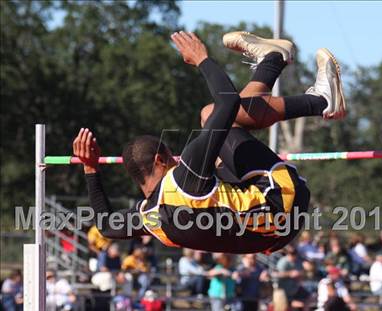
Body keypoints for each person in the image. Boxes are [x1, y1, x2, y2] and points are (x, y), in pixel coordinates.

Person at [72, 31, 346, 254]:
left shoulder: (149, 218)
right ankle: (321, 101)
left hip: (274, 237)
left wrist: (90, 169)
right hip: (283, 199)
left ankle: (272, 60)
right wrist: (202, 59)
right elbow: (228, 102)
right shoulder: (184, 177)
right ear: (160, 159)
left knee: (224, 134)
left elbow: (106, 226)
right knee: (210, 114)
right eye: (171, 154)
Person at [274, 245, 310, 310]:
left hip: (294, 289)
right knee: (285, 307)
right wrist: (290, 274)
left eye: (294, 254)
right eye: (291, 254)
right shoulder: (283, 262)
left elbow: (302, 273)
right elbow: (276, 274)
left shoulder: (298, 262)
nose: (293, 255)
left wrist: (300, 274)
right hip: (284, 290)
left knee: (308, 297)